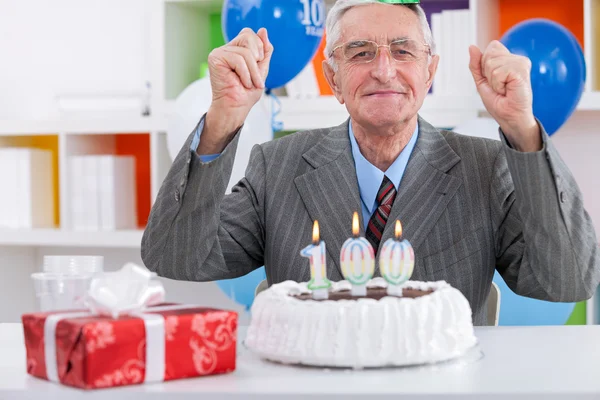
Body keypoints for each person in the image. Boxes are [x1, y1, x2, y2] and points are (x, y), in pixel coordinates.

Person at [141, 0, 600, 325]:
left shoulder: (486, 167)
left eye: (403, 51)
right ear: (332, 78)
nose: (384, 70)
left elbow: (568, 281)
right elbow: (178, 257)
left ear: (429, 72)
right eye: (360, 53)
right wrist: (222, 121)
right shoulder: (275, 167)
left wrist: (522, 128)